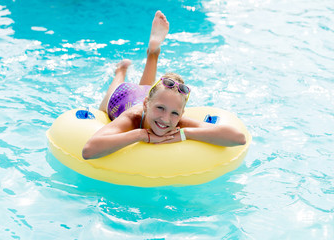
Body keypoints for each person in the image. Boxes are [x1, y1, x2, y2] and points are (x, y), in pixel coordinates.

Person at [82, 10, 246, 160]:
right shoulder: (132, 118)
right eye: (161, 109)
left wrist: (184, 133)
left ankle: (153, 52)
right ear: (146, 105)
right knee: (105, 106)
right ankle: (121, 70)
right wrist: (140, 134)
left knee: (149, 90)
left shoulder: (176, 121)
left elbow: (238, 138)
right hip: (123, 99)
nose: (166, 118)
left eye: (175, 113)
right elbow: (88, 151)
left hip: (148, 95)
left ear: (182, 114)